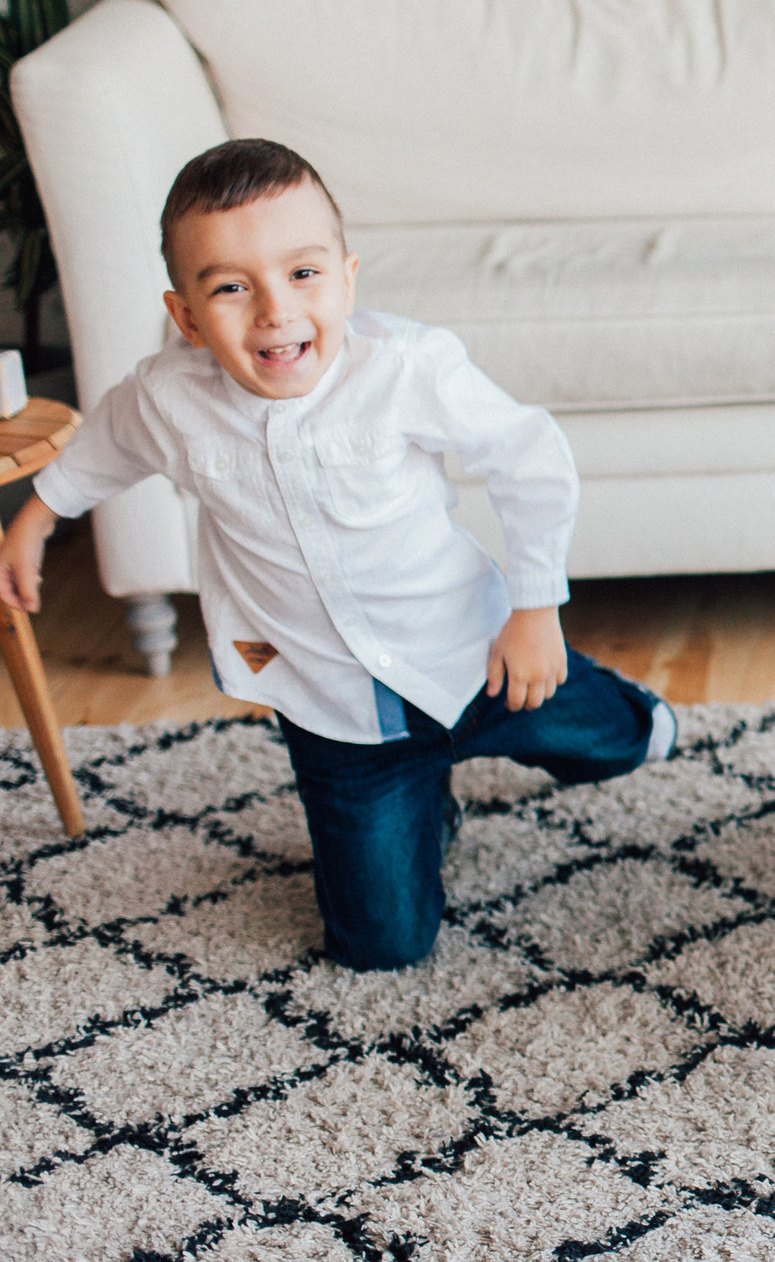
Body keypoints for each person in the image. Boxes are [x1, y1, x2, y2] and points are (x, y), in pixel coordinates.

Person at [0, 139, 673, 971]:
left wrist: (536, 610)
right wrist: (35, 516)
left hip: (476, 657)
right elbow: (105, 445)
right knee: (379, 945)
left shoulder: (401, 367)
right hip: (335, 713)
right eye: (232, 288)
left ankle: (633, 707)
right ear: (186, 318)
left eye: (303, 275)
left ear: (348, 278)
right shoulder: (167, 398)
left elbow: (527, 455)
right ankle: (427, 806)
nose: (275, 311)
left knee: (614, 740)